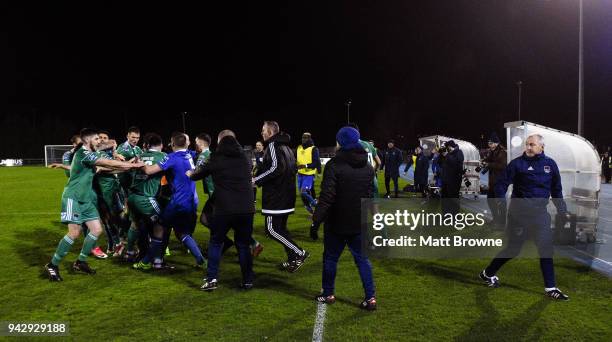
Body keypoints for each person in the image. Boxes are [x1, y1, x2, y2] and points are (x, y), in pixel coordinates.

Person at [44, 128, 144, 281]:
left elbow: (106, 167)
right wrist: (133, 166)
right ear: (87, 141)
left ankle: (80, 262)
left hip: (86, 199)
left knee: (97, 230)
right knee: (74, 233)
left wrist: (125, 165)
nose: (99, 141)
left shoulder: (91, 155)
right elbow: (107, 162)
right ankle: (53, 265)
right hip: (73, 198)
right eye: (96, 139)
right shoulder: (84, 154)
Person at [480, 134, 571, 300]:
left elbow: (556, 190)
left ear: (541, 147)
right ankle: (488, 273)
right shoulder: (517, 164)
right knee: (513, 249)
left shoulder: (550, 165)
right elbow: (501, 184)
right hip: (519, 215)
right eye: (527, 144)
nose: (528, 147)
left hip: (540, 215)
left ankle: (551, 288)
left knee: (546, 250)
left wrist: (562, 210)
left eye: (532, 145)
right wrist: (500, 201)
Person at [310, 126, 377, 311]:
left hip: (336, 223)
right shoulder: (368, 167)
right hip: (359, 221)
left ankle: (328, 293)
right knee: (363, 260)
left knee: (330, 259)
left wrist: (316, 221)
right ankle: (370, 298)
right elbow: (370, 196)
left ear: (341, 142)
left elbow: (327, 197)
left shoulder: (334, 165)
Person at [187, 130, 256, 291]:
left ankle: (212, 279)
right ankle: (248, 280)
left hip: (224, 208)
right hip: (246, 208)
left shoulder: (216, 158)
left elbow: (197, 175)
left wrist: (190, 173)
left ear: (219, 142)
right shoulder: (245, 158)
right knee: (243, 245)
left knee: (216, 243)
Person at [139, 132, 206, 269]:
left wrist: (139, 162)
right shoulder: (190, 155)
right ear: (186, 143)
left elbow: (149, 171)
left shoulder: (171, 157)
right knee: (182, 232)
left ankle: (146, 262)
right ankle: (201, 260)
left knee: (159, 227)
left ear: (172, 143)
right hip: (191, 200)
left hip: (178, 201)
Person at [253, 121, 309, 272]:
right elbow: (290, 168)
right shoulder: (286, 147)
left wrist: (256, 181)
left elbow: (276, 168)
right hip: (286, 195)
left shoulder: (273, 145)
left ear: (270, 132)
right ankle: (292, 259)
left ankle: (299, 253)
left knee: (271, 230)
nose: (262, 133)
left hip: (276, 197)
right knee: (281, 229)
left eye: (263, 130)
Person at [125, 133, 167, 267]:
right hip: (145, 198)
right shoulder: (163, 156)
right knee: (161, 224)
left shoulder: (139, 156)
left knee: (135, 224)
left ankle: (129, 252)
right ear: (161, 145)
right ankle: (157, 259)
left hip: (132, 196)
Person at [481, 132, 507, 226]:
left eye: (491, 143)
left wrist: (488, 164)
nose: (489, 145)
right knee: (490, 201)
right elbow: (489, 161)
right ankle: (496, 219)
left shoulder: (502, 152)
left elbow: (502, 166)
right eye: (489, 143)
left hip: (500, 181)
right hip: (492, 181)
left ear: (496, 143)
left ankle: (502, 223)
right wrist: (484, 162)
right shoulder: (492, 152)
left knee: (500, 203)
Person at [296, 132, 321, 214]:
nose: (304, 139)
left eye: (306, 137)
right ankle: (309, 208)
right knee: (302, 194)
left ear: (310, 138)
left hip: (309, 174)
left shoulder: (314, 149)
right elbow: (296, 161)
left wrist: (305, 166)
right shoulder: (299, 148)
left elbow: (316, 163)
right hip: (299, 174)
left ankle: (315, 204)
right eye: (303, 137)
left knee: (304, 192)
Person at [440, 140, 464, 214]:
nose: (447, 149)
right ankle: (445, 215)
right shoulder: (448, 154)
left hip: (454, 181)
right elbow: (441, 164)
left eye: (447, 147)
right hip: (445, 180)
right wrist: (442, 155)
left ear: (450, 146)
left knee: (453, 199)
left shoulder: (459, 152)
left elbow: (456, 164)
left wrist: (447, 155)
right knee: (444, 198)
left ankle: (454, 216)